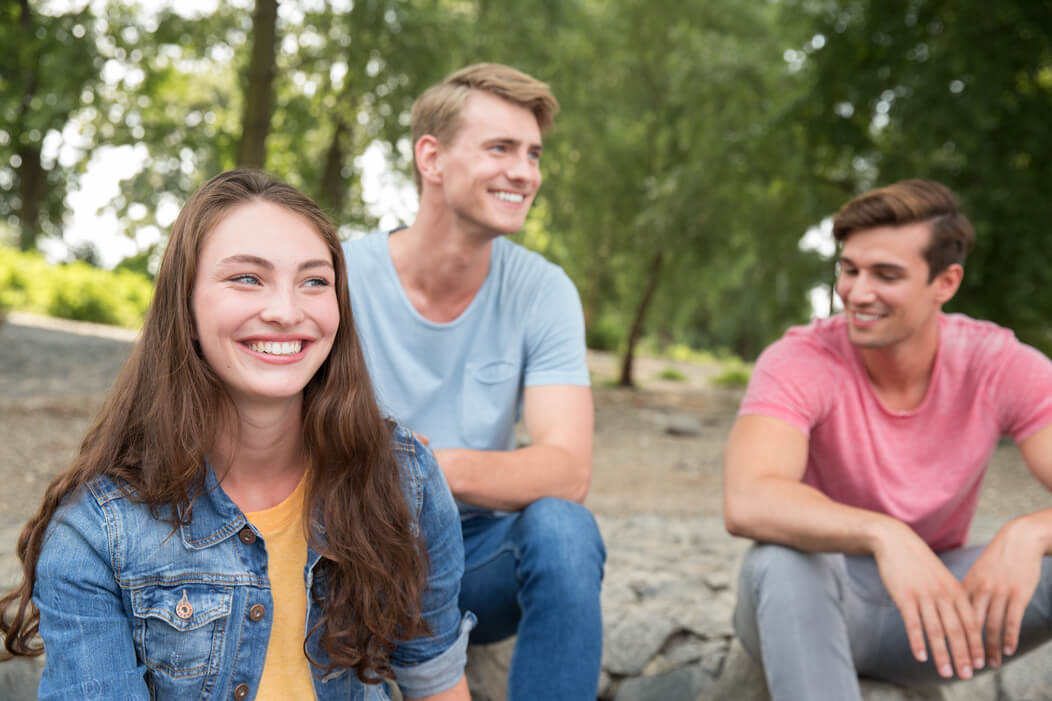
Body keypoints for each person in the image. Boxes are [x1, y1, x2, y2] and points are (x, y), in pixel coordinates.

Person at [0, 169, 472, 701]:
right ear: (187, 308)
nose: (286, 311)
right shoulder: (94, 534)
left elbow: (435, 682)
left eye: (315, 281)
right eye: (247, 278)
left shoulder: (404, 478)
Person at [723, 179, 1052, 699]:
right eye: (849, 270)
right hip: (808, 601)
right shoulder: (799, 360)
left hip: (939, 618)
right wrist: (885, 534)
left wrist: (1031, 533)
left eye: (887, 275)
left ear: (945, 283)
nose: (857, 292)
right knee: (780, 560)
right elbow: (749, 498)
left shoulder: (999, 364)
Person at [343, 63, 605, 700]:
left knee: (564, 532)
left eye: (534, 154)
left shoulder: (541, 290)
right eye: (501, 149)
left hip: (472, 552)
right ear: (431, 158)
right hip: (351, 544)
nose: (526, 172)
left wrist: (426, 469)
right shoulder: (339, 273)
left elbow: (566, 469)